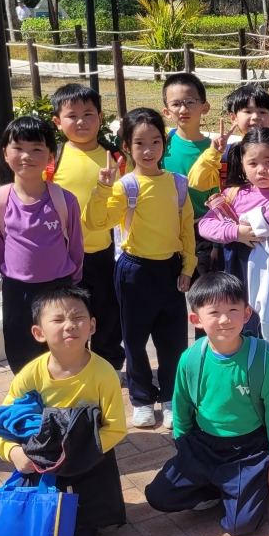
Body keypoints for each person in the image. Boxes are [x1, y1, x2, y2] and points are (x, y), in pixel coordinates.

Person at [145, 273, 269, 536]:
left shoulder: (261, 359)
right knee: (159, 495)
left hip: (249, 450)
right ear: (196, 320)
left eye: (233, 310)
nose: (225, 319)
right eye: (214, 312)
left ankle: (248, 485)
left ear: (246, 314)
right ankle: (220, 487)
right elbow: (181, 403)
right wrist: (182, 442)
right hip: (204, 445)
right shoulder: (191, 358)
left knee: (241, 526)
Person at [0, 286, 127, 536]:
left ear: (92, 326)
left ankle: (92, 518)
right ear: (39, 332)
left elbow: (115, 427)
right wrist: (14, 453)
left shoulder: (104, 373)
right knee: (28, 534)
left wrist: (79, 452)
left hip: (88, 462)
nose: (70, 325)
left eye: (77, 317)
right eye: (58, 319)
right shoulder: (30, 375)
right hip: (42, 463)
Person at [84, 108, 197, 429]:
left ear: (165, 144)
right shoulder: (125, 186)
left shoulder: (178, 184)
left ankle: (171, 398)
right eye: (139, 143)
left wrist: (188, 266)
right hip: (134, 272)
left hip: (170, 270)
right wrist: (103, 189)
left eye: (155, 142)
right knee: (134, 340)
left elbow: (186, 229)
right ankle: (142, 399)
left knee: (173, 342)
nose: (148, 150)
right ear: (126, 146)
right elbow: (96, 222)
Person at [196, 126, 269, 369]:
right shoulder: (234, 194)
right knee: (242, 324)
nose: (261, 169)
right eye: (253, 163)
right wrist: (237, 233)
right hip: (239, 273)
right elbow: (205, 226)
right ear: (242, 165)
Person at [0, 116, 83, 373]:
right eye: (18, 148)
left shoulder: (65, 201)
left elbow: (75, 247)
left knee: (64, 346)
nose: (26, 156)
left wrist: (70, 282)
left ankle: (65, 391)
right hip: (17, 291)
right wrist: (13, 274)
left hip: (59, 287)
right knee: (21, 351)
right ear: (5, 153)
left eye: (36, 149)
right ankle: (28, 393)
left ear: (51, 155)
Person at [50, 83, 125, 371]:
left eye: (88, 114)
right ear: (58, 122)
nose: (81, 121)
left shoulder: (116, 157)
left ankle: (108, 367)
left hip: (107, 252)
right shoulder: (53, 159)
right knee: (71, 314)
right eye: (72, 116)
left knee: (108, 312)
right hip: (65, 255)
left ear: (100, 117)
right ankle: (75, 365)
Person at [160, 72, 216, 279]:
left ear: (205, 107)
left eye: (190, 102)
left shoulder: (215, 150)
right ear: (166, 111)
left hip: (202, 231)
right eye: (176, 104)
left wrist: (217, 244)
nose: (183, 109)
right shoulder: (160, 146)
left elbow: (219, 197)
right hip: (167, 229)